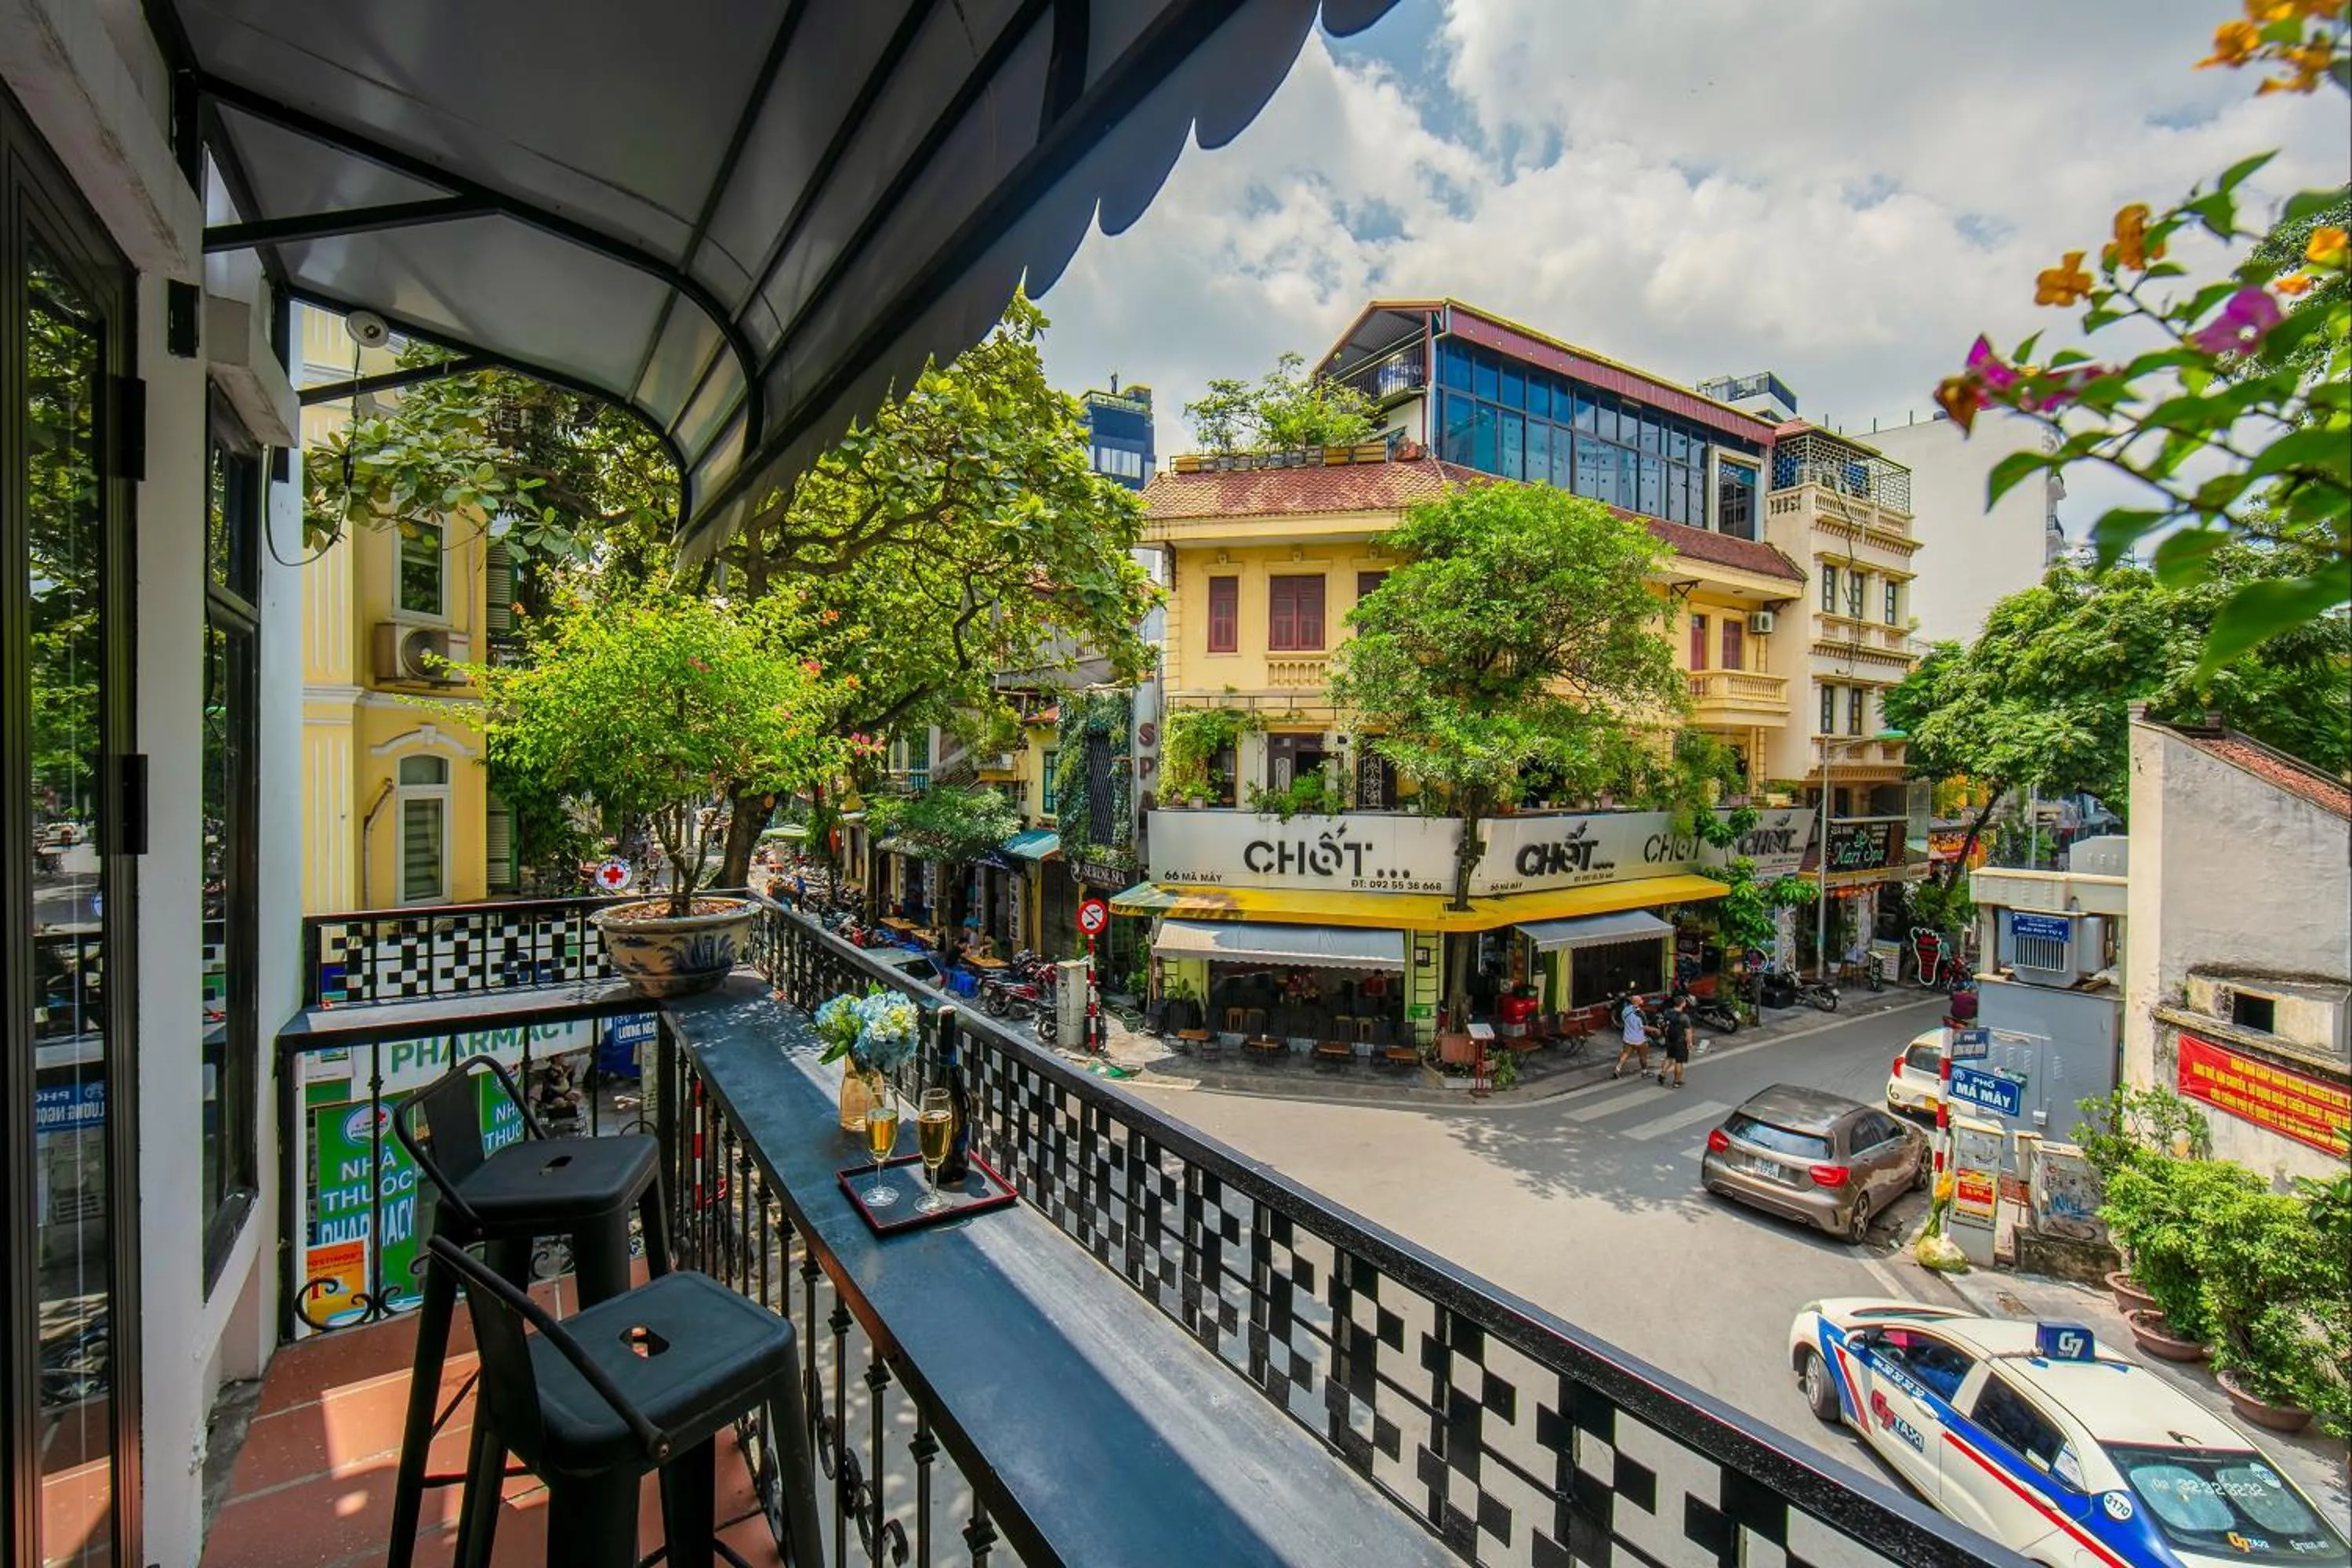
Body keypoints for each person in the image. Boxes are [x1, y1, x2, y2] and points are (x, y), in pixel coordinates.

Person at [1610, 989, 1650, 1080]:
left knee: (1625, 1054)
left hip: (1628, 1037)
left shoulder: (1625, 1011)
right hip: (1640, 1039)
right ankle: (1644, 1072)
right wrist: (1655, 1030)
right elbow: (1645, 1027)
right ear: (1637, 1002)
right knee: (1643, 1056)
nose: (1642, 1000)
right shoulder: (1640, 1014)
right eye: (1641, 999)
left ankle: (1617, 1070)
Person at [1659, 996, 1693, 1087]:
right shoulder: (1684, 1017)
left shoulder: (1667, 1012)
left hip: (1670, 1039)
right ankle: (1677, 1081)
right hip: (1680, 1041)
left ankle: (1662, 1073)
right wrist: (1690, 1043)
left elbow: (1664, 1024)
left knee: (1669, 1057)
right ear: (1683, 1004)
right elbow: (1688, 1032)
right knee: (1679, 1061)